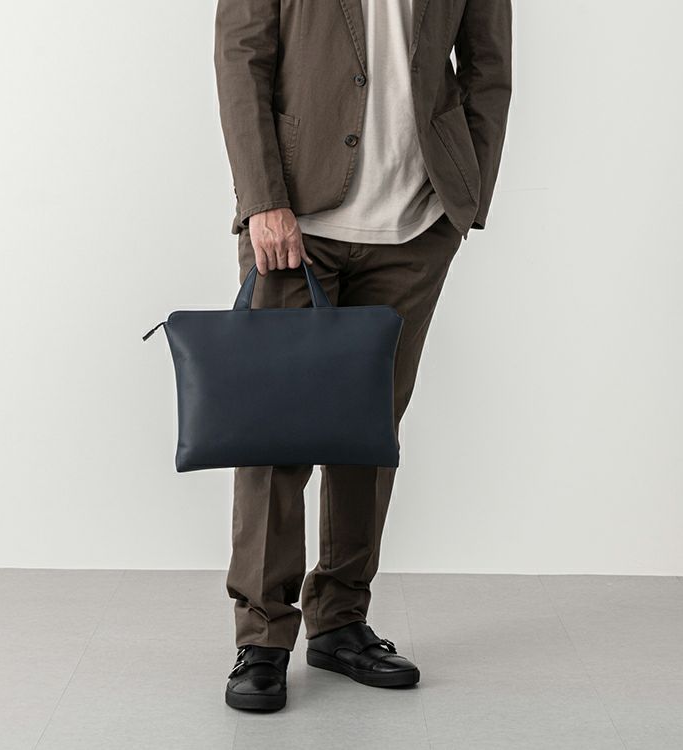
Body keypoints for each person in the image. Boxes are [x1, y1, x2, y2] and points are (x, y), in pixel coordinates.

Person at [214, 0, 512, 711]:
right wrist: (262, 199)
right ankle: (263, 636)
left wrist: (464, 196)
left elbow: (489, 66)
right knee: (274, 436)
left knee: (369, 436)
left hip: (416, 225)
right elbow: (241, 57)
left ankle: (341, 620)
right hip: (294, 222)